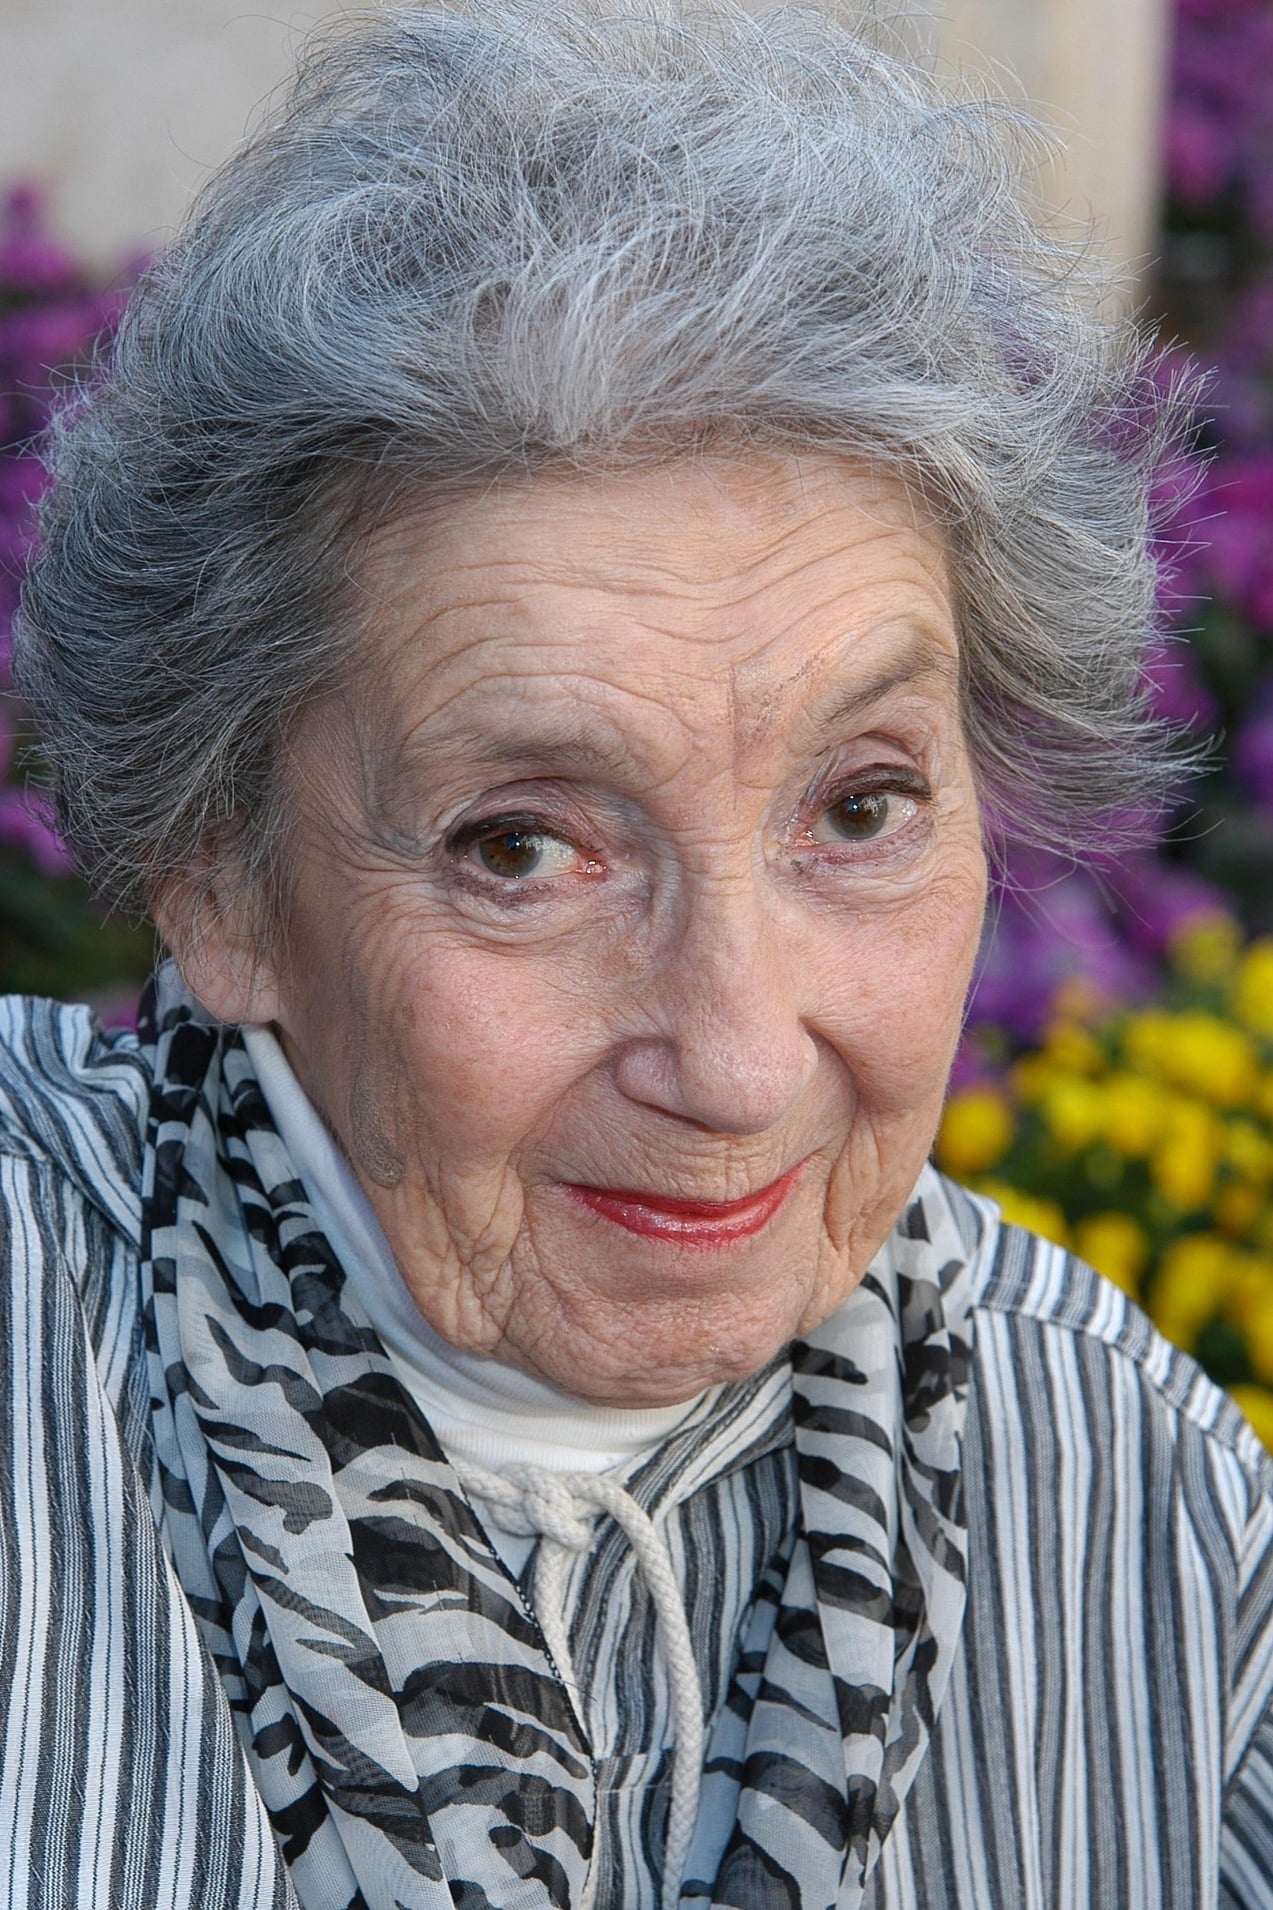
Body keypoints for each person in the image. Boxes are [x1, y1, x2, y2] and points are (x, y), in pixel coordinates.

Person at [4, 2, 1271, 1904]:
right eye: (525, 847)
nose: (740, 1058)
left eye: (857, 808)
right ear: (220, 882)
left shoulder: (1130, 1493)